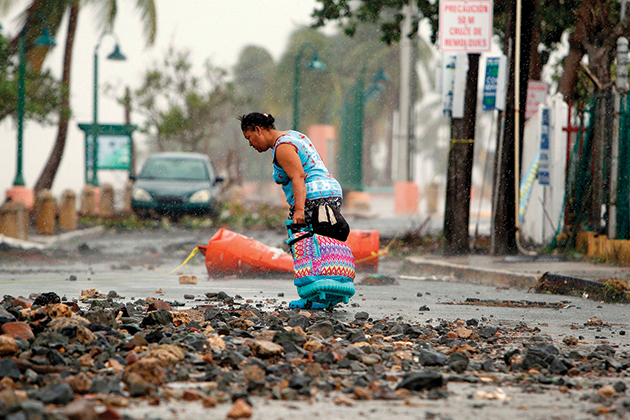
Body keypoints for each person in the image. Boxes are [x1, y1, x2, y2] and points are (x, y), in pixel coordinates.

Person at [239, 112, 345, 233]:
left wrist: (299, 210)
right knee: (325, 242)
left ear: (258, 130)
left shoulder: (282, 147)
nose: (250, 143)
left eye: (249, 137)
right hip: (332, 192)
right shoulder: (295, 135)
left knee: (303, 246)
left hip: (312, 197)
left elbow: (298, 176)